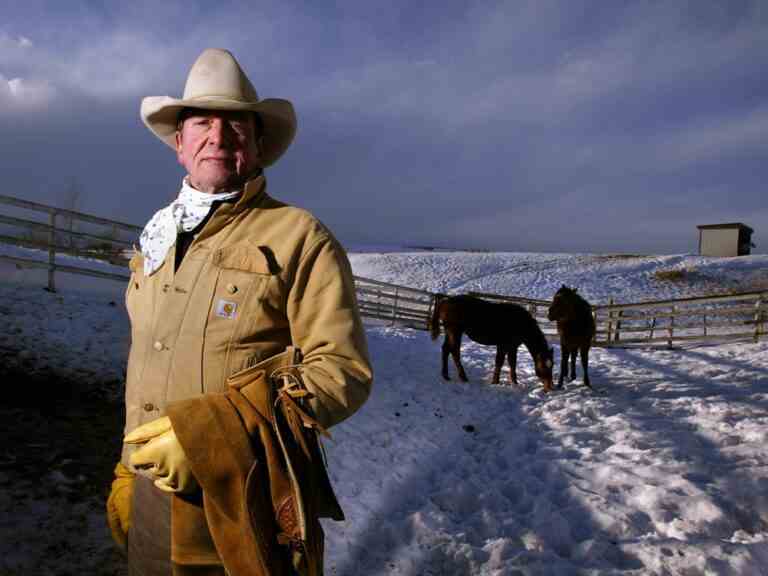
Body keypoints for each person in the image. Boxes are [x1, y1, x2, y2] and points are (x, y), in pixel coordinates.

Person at [106, 48, 373, 576]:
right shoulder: (157, 236)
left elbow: (341, 372)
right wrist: (122, 465)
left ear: (258, 146)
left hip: (245, 504)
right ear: (179, 145)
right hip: (148, 493)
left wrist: (209, 433)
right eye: (202, 122)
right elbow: (149, 358)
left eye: (236, 125)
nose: (219, 136)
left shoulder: (299, 237)